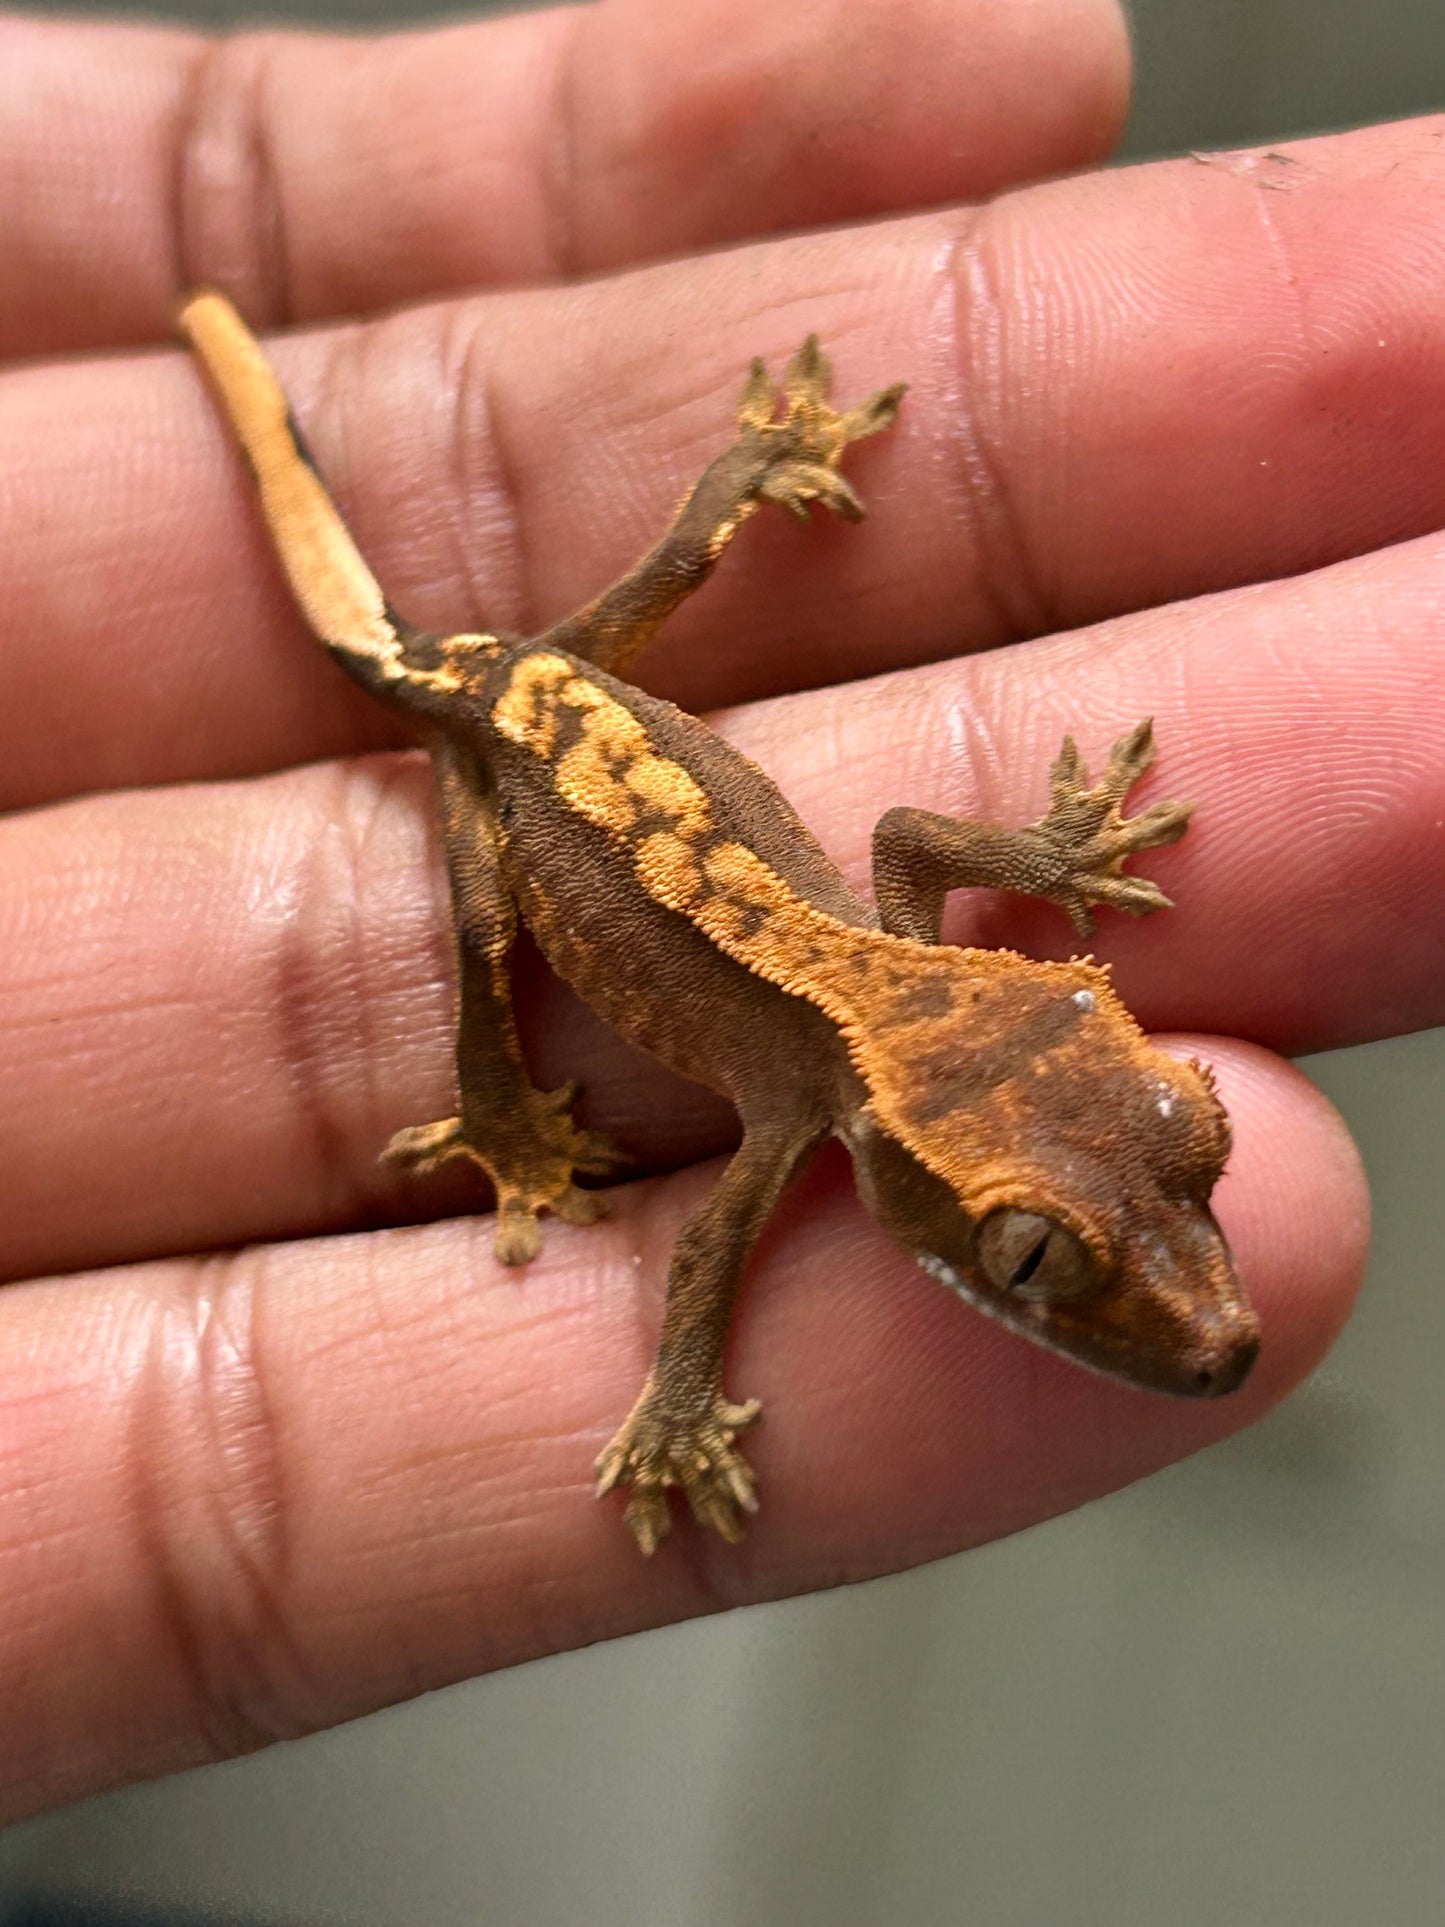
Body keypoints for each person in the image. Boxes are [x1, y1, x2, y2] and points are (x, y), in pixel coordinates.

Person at [9, 0, 1434, 1823]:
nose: (1193, 1296)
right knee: (477, 934)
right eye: (1023, 1250)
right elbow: (724, 1208)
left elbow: (910, 851)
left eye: (1176, 1138)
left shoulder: (868, 1013)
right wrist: (661, 1369)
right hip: (505, 743)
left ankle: (668, 490)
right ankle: (505, 1089)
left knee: (565, 731)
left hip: (568, 703)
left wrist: (1045, 863)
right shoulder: (805, 1093)